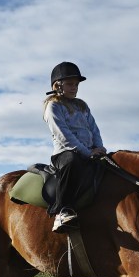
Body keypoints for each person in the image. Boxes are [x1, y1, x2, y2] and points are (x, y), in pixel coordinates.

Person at [43, 61, 106, 233]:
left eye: (76, 84)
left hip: (90, 153)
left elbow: (94, 129)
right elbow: (65, 137)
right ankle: (62, 211)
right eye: (70, 84)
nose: (75, 87)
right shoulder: (53, 106)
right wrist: (88, 153)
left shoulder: (82, 105)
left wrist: (99, 148)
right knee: (72, 160)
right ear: (58, 85)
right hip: (65, 154)